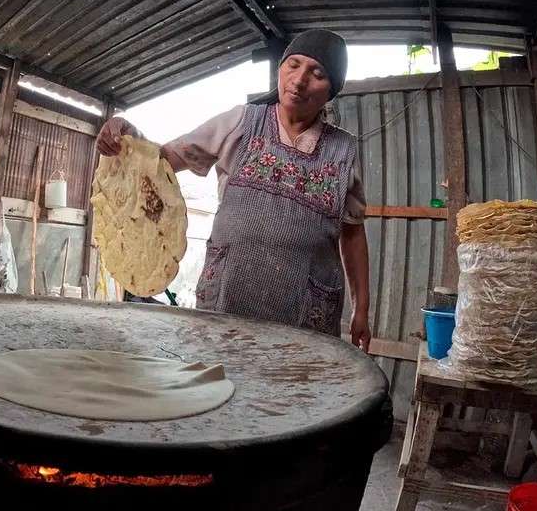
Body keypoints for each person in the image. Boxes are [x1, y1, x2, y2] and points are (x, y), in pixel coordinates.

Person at [97, 29, 371, 351]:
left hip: (305, 307)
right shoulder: (241, 122)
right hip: (230, 293)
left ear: (332, 89)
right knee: (222, 381)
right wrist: (130, 136)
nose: (299, 80)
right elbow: (163, 161)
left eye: (317, 73)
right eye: (293, 65)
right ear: (281, 69)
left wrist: (361, 308)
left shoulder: (342, 152)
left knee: (294, 390)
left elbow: (352, 233)